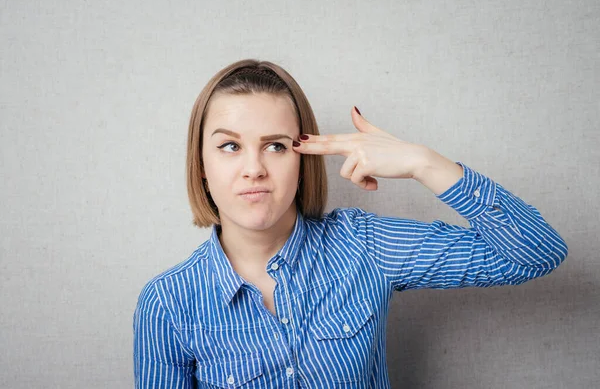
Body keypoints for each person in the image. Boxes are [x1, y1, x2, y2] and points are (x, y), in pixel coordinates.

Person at [133, 59, 568, 388]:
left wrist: (422, 162)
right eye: (229, 146)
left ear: (302, 162)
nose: (254, 169)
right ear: (202, 165)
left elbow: (535, 253)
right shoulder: (167, 304)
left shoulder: (364, 245)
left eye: (276, 147)